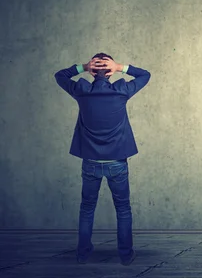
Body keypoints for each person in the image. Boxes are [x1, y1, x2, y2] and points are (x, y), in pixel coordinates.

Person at [54, 53, 151, 266]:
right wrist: (120, 67)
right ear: (109, 71)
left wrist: (82, 67)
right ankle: (126, 255)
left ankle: (82, 253)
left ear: (92, 71)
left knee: (87, 208)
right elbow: (145, 75)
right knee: (123, 209)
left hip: (90, 162)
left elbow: (60, 76)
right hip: (117, 163)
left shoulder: (82, 91)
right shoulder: (121, 91)